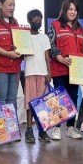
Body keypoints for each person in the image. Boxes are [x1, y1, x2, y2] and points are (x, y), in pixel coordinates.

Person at [47, 0, 83, 140]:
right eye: (70, 9)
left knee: (73, 97)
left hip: (76, 71)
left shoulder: (81, 29)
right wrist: (60, 58)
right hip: (59, 68)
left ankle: (70, 127)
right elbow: (50, 44)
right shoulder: (55, 25)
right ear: (64, 10)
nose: (73, 12)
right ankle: (56, 128)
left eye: (75, 10)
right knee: (59, 99)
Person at [23, 9, 52, 143]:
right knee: (30, 103)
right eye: (34, 21)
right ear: (29, 21)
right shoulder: (24, 36)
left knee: (42, 104)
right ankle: (29, 129)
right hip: (29, 73)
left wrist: (49, 72)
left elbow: (47, 57)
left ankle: (42, 130)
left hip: (42, 74)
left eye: (39, 21)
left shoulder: (44, 37)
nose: (37, 23)